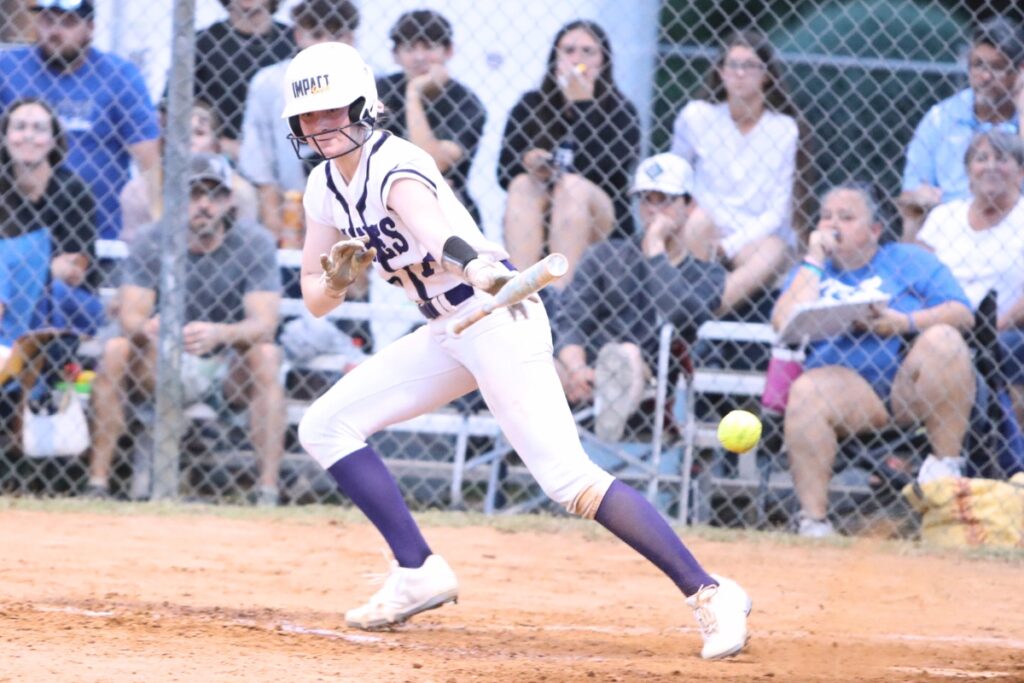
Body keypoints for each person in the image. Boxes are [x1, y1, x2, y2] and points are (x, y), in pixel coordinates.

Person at [282, 42, 750, 660]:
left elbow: (432, 230)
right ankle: (418, 570)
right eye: (308, 118)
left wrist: (475, 264)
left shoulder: (397, 164)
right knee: (326, 424)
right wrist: (338, 278)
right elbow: (315, 296)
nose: (321, 127)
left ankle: (711, 592)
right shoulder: (323, 187)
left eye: (333, 111)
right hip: (447, 328)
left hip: (497, 318)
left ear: (365, 107)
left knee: (569, 482)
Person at [772, 183, 975, 538]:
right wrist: (815, 261)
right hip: (846, 390)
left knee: (945, 339)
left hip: (908, 384)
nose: (834, 225)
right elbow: (782, 321)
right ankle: (814, 523)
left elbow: (962, 312)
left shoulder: (907, 259)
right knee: (805, 391)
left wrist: (903, 322)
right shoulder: (813, 272)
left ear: (875, 230)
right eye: (827, 216)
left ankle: (944, 475)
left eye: (847, 217)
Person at [87, 153, 285, 505]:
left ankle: (267, 491)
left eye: (215, 195)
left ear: (229, 201)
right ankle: (97, 485)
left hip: (225, 365)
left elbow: (265, 323)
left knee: (267, 355)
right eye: (194, 194)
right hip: (158, 360)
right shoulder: (152, 239)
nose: (204, 205)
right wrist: (150, 328)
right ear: (178, 199)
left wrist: (221, 333)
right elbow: (130, 314)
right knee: (116, 349)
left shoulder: (254, 242)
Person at [556, 153, 726, 442]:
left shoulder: (707, 275)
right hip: (585, 367)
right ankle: (535, 458)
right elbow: (572, 318)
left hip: (648, 375)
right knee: (539, 363)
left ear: (689, 205)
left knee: (627, 356)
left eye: (665, 199)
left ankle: (603, 436)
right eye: (647, 199)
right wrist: (577, 367)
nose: (653, 209)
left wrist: (656, 250)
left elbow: (681, 315)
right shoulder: (604, 255)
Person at [670, 29, 804, 319]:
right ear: (720, 72)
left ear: (767, 75)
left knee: (774, 249)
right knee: (697, 223)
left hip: (757, 233)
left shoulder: (783, 129)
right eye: (733, 65)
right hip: (707, 225)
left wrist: (728, 246)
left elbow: (778, 213)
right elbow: (675, 176)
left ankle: (696, 316)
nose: (740, 74)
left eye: (751, 66)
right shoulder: (697, 116)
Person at [0, 0, 160, 240]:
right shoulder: (8, 70)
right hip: (16, 231)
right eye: (47, 20)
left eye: (68, 22)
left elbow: (148, 158)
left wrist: (157, 224)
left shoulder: (120, 76)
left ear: (90, 28)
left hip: (100, 228)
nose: (54, 31)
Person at [497, 20, 640, 286]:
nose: (577, 59)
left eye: (588, 52)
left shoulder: (621, 112)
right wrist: (528, 161)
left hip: (599, 215)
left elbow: (604, 172)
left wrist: (583, 104)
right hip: (542, 206)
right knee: (521, 184)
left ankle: (560, 299)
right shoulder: (530, 105)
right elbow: (503, 173)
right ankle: (522, 292)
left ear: (604, 61)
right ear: (555, 58)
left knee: (572, 186)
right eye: (569, 50)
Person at [913, 130, 1024, 437]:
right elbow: (915, 274)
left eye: (1002, 159)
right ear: (967, 171)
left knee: (1006, 349)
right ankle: (913, 450)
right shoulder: (944, 217)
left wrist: (996, 327)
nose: (990, 166)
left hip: (1006, 328)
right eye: (981, 158)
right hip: (940, 324)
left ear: (1021, 171)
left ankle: (1009, 454)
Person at [238, 0, 359, 240]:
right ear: (298, 35)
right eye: (316, 34)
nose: (325, 44)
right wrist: (275, 220)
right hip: (290, 196)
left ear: (351, 39)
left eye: (336, 35)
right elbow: (259, 159)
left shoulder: (367, 80)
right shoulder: (270, 82)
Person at [898, 16, 1024, 237]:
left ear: (1019, 72)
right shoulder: (942, 117)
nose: (984, 77)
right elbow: (910, 193)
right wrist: (920, 197)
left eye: (996, 67)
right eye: (978, 65)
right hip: (949, 229)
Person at [0, 98, 102, 348]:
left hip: (64, 296)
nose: (29, 136)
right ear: (4, 136)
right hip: (8, 290)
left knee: (49, 293)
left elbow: (74, 268)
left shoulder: (73, 189)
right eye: (20, 127)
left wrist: (21, 270)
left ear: (54, 140)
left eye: (39, 129)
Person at [377, 9, 486, 224]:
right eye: (409, 48)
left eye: (429, 47)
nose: (419, 57)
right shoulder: (378, 90)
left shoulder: (466, 102)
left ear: (448, 51)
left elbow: (434, 163)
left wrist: (413, 94)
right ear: (395, 55)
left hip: (445, 198)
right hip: (381, 192)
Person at [120, 100, 259, 243]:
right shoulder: (139, 191)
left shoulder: (240, 192)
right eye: (180, 133)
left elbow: (245, 247)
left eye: (199, 133)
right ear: (166, 143)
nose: (188, 140)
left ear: (216, 147)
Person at [191, 0, 295, 160]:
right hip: (222, 156)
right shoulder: (202, 42)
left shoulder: (293, 40)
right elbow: (173, 109)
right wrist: (219, 142)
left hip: (285, 153)